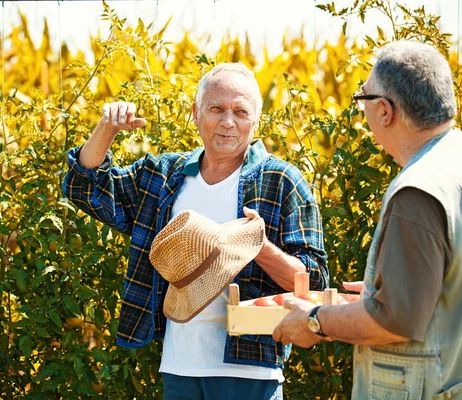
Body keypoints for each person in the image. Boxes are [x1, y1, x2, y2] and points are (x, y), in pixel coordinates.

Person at [273, 40, 462, 399]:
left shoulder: (419, 189)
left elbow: (394, 320)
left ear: (384, 110)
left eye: (363, 100)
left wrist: (314, 320)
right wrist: (393, 284)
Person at [63, 62, 328, 400]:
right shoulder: (165, 176)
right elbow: (85, 188)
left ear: (255, 120)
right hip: (179, 367)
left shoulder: (281, 182)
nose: (228, 122)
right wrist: (106, 129)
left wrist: (258, 246)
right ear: (196, 113)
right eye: (216, 108)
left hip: (249, 371)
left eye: (241, 111)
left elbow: (315, 280)